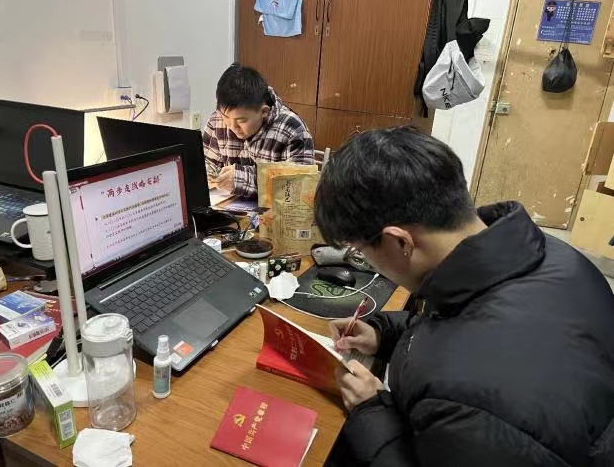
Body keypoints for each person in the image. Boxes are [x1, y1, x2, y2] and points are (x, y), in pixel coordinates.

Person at [315, 126, 614, 466]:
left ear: (400, 242)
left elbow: (472, 364)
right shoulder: (553, 255)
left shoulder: (463, 397)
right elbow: (468, 323)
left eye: (359, 250)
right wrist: (385, 334)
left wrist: (372, 412)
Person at [203, 63, 314, 197]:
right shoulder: (218, 119)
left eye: (241, 121)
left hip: (271, 210)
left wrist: (242, 180)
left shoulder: (292, 129)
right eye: (225, 117)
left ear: (264, 112)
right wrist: (208, 175)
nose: (232, 126)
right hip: (224, 205)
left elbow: (299, 188)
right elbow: (207, 162)